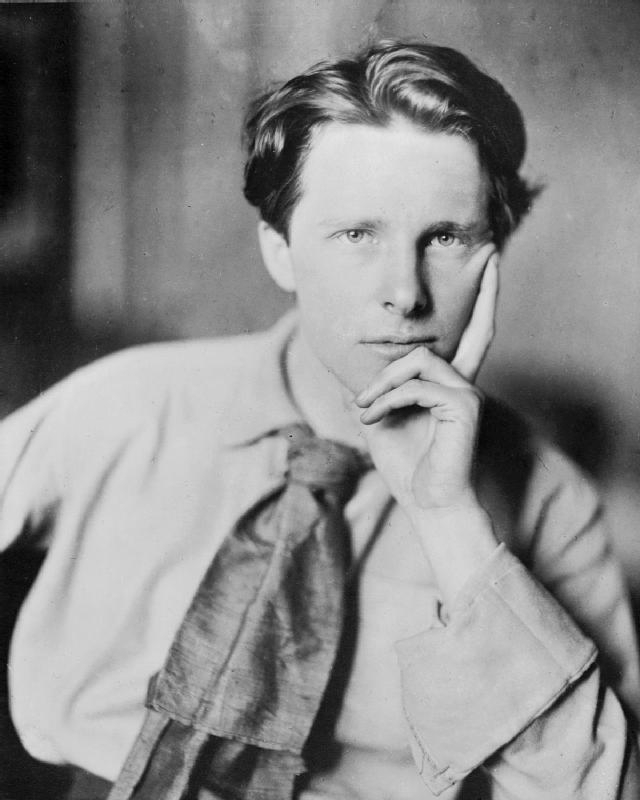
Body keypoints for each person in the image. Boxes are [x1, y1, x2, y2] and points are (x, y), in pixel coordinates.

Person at [0, 39, 638, 800]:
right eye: (356, 235)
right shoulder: (121, 408)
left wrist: (447, 516)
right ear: (279, 249)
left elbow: (600, 791)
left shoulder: (549, 500)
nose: (404, 292)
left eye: (444, 238)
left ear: (492, 258)